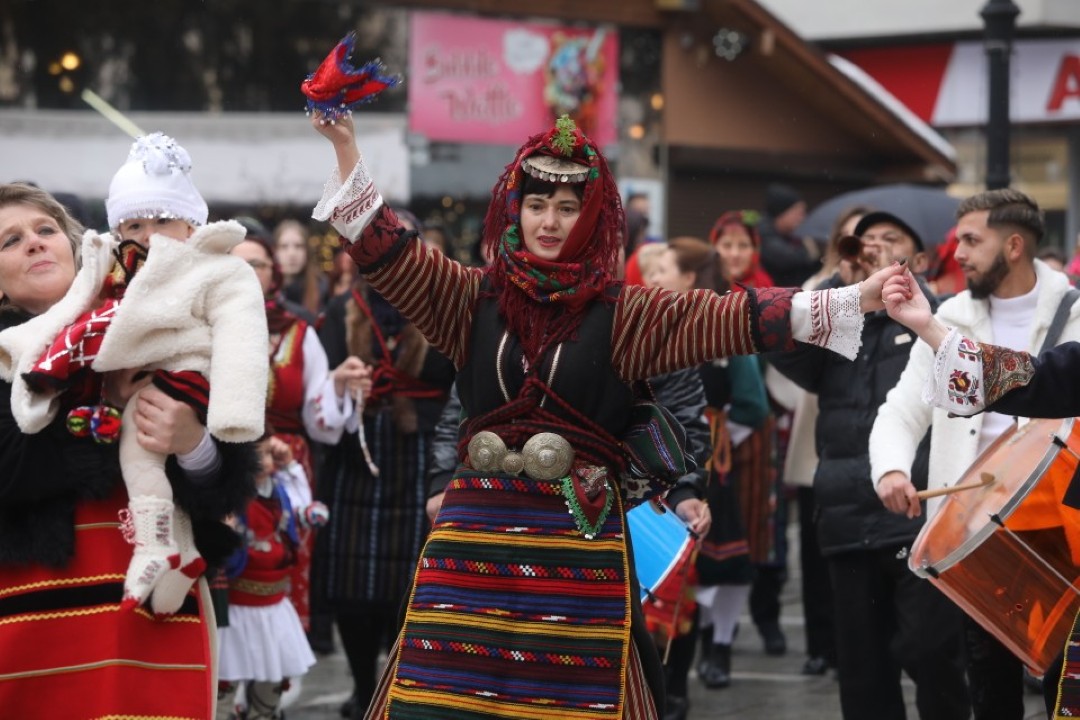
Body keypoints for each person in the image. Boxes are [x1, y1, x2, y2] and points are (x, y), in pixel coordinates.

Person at [308, 99, 898, 718]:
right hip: (472, 535)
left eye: (567, 209)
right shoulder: (470, 298)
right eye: (536, 206)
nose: (550, 222)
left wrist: (858, 297)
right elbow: (386, 252)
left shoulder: (627, 312)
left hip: (575, 539)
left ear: (592, 218)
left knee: (571, 699)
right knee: (442, 695)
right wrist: (345, 147)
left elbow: (733, 316)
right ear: (516, 211)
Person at [0, 183, 257, 717]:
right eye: (10, 240)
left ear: (78, 248)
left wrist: (193, 444)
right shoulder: (6, 352)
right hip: (31, 611)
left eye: (46, 230)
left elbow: (225, 482)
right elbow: (9, 472)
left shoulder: (156, 321)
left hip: (155, 607)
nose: (34, 243)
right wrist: (107, 406)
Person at [869, 188, 1080, 720]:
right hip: (974, 533)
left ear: (1013, 245)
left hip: (1060, 528)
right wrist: (891, 468)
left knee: (1064, 678)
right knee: (984, 681)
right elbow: (1028, 380)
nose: (957, 253)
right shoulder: (953, 315)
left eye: (970, 239)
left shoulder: (1074, 310)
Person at [770, 210, 971, 720]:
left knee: (931, 655)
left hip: (919, 514)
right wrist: (840, 281)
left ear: (920, 260)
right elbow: (781, 346)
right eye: (866, 242)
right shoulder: (841, 320)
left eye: (890, 240)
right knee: (862, 672)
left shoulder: (943, 318)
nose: (875, 248)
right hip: (845, 512)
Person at [314, 208, 456, 719]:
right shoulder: (339, 311)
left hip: (422, 454)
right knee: (353, 592)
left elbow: (461, 388)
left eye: (401, 244)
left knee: (410, 587)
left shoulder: (445, 311)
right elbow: (319, 386)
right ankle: (359, 683)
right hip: (357, 455)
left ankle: (398, 687)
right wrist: (340, 381)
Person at [645, 237, 770, 692]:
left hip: (702, 464)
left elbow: (753, 403)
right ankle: (660, 676)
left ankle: (707, 654)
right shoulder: (643, 325)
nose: (652, 277)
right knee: (661, 568)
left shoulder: (719, 326)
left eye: (662, 269)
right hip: (646, 466)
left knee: (709, 566)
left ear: (689, 278)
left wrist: (718, 437)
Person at [231, 218, 353, 637]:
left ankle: (274, 688)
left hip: (287, 465)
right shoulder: (205, 325)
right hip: (224, 457)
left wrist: (336, 385)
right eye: (239, 265)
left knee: (285, 561)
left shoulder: (299, 330)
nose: (250, 274)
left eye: (259, 265)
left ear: (274, 272)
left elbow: (320, 416)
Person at [216, 434, 324, 720]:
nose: (263, 460)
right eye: (256, 454)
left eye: (266, 453)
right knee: (225, 679)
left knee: (271, 681)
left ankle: (262, 714)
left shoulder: (278, 492)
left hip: (274, 602)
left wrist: (292, 471)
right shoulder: (229, 496)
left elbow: (301, 509)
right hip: (238, 605)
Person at [757, 183, 818, 287]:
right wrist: (809, 252)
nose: (802, 218)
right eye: (798, 213)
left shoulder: (789, 235)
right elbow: (786, 259)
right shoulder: (763, 234)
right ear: (782, 213)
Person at [273, 218, 326, 320]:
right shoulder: (267, 289)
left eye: (298, 246)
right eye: (284, 247)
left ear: (307, 251)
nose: (292, 254)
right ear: (275, 251)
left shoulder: (322, 288)